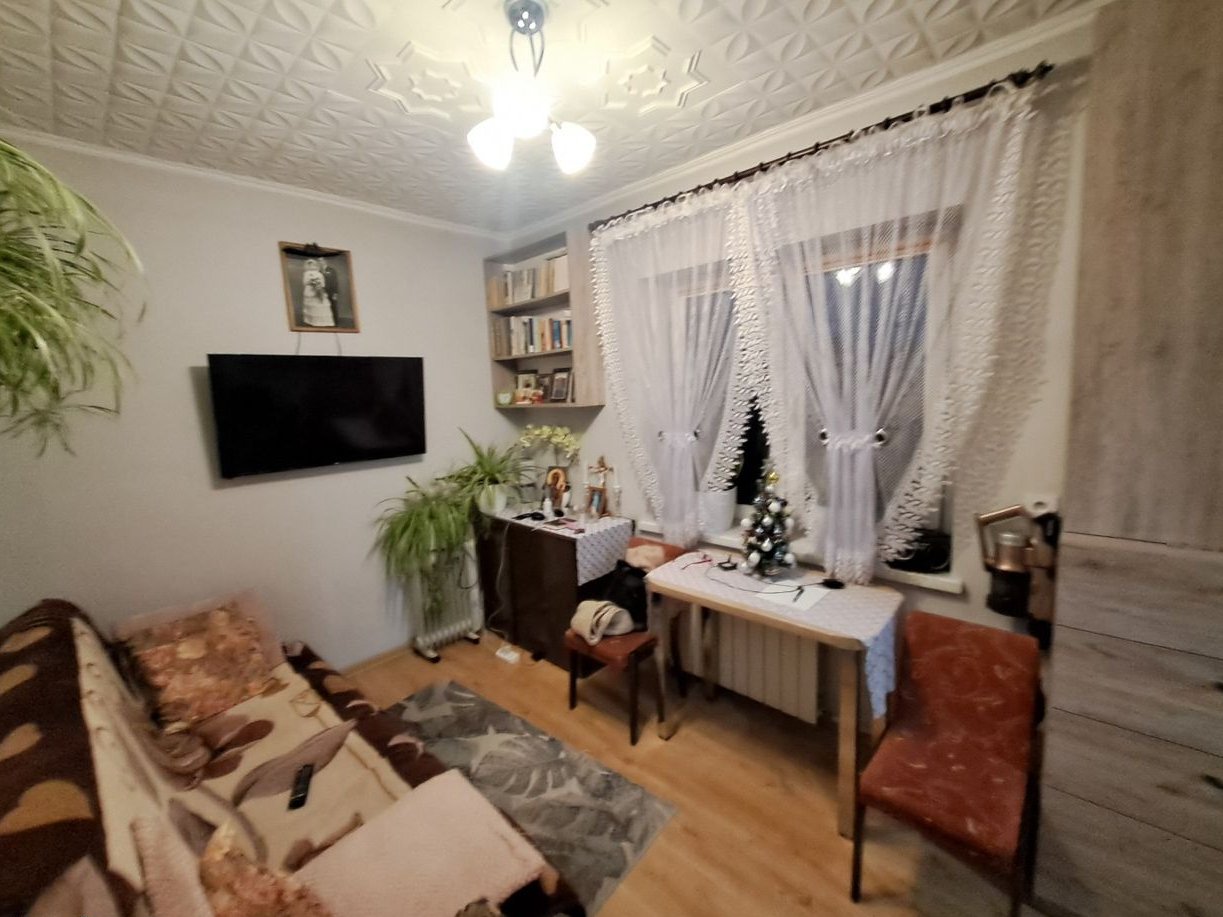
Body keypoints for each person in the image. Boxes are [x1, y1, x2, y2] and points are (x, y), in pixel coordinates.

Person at [300, 258, 334, 327]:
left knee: (320, 305)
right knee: (312, 306)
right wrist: (311, 282)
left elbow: (323, 283)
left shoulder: (319, 274)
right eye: (310, 265)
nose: (312, 266)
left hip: (319, 290)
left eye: (313, 265)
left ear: (316, 265)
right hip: (310, 290)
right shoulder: (306, 273)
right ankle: (312, 321)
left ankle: (322, 322)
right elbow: (304, 282)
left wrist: (318, 285)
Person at [321, 258, 341, 324]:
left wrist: (335, 293)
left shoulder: (331, 270)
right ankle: (326, 321)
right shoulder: (319, 271)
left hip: (331, 292)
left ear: (325, 261)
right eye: (319, 261)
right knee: (324, 307)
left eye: (322, 260)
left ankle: (336, 322)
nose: (320, 262)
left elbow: (335, 282)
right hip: (323, 292)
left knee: (333, 306)